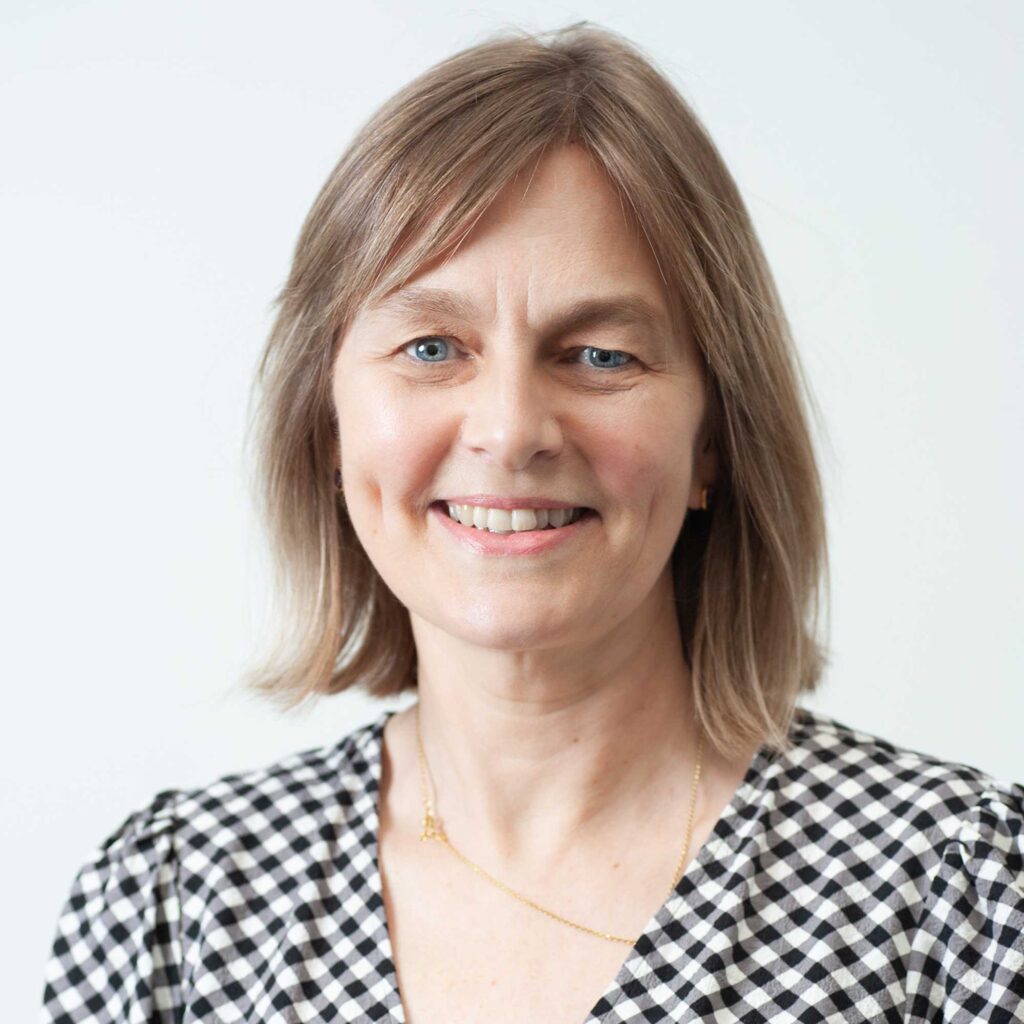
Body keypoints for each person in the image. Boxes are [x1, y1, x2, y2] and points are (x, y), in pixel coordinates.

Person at [42, 22, 1023, 1024]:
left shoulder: (960, 896)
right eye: (431, 346)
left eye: (600, 354)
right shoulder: (172, 906)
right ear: (328, 426)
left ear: (714, 442)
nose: (510, 430)